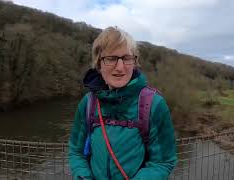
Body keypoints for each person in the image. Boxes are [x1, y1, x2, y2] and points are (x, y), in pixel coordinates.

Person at [68, 26, 177, 180]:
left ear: (134, 62)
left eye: (126, 58)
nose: (120, 67)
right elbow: (76, 151)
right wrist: (83, 176)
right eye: (111, 58)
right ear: (98, 64)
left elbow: (163, 161)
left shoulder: (154, 104)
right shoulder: (88, 103)